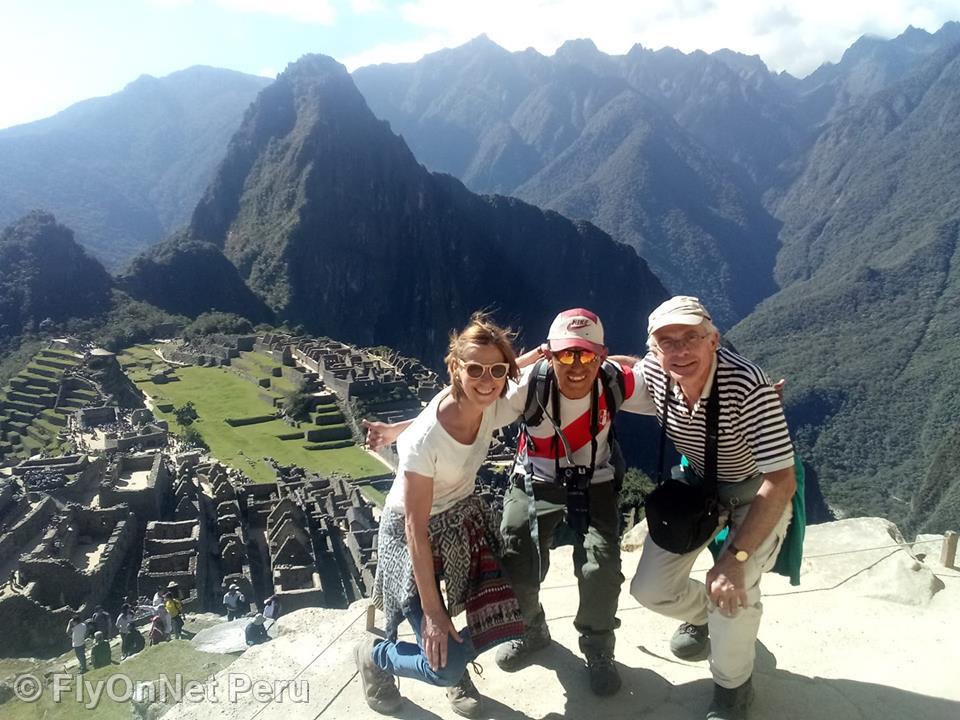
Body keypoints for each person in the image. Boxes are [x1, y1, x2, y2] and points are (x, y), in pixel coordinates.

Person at [628, 296, 796, 720]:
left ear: (714, 340)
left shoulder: (748, 387)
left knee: (732, 593)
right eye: (667, 342)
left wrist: (736, 560)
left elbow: (781, 482)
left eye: (692, 338)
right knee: (649, 590)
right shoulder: (652, 373)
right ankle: (705, 618)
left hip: (753, 493)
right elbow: (604, 367)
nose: (681, 351)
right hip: (699, 489)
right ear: (653, 350)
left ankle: (732, 688)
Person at [356, 313, 527, 718]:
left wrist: (394, 427)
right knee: (443, 667)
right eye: (475, 369)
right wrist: (433, 615)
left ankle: (452, 647)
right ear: (456, 368)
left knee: (514, 611)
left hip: (463, 516)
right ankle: (376, 655)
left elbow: (534, 362)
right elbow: (416, 528)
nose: (487, 379)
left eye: (497, 369)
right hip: (411, 533)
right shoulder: (423, 442)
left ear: (507, 371)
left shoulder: (487, 403)